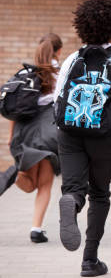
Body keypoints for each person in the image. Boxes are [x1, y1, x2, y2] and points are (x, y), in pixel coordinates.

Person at [54, 0, 111, 277]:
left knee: (73, 187)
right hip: (103, 133)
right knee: (100, 193)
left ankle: (72, 201)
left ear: (82, 28)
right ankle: (89, 261)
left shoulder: (71, 59)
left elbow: (59, 97)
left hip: (68, 132)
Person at [5, 33, 63, 243]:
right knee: (44, 185)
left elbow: (15, 109)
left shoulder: (26, 73)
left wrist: (11, 136)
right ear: (58, 50)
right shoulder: (61, 73)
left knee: (29, 183)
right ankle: (36, 229)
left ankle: (17, 173)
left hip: (24, 132)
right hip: (48, 133)